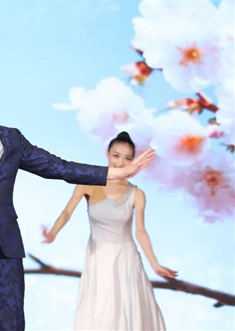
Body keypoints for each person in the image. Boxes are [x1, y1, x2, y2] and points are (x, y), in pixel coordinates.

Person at [0, 63, 156, 331]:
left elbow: (58, 167)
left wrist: (117, 173)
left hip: (6, 251)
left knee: (11, 326)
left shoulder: (12, 138)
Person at [42, 131, 177, 330]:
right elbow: (67, 212)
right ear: (107, 154)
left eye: (127, 158)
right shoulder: (87, 184)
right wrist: (53, 233)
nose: (121, 162)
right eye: (116, 156)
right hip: (97, 259)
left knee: (128, 310)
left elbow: (140, 231)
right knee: (101, 311)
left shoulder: (137, 194)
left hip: (126, 259)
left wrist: (155, 264)